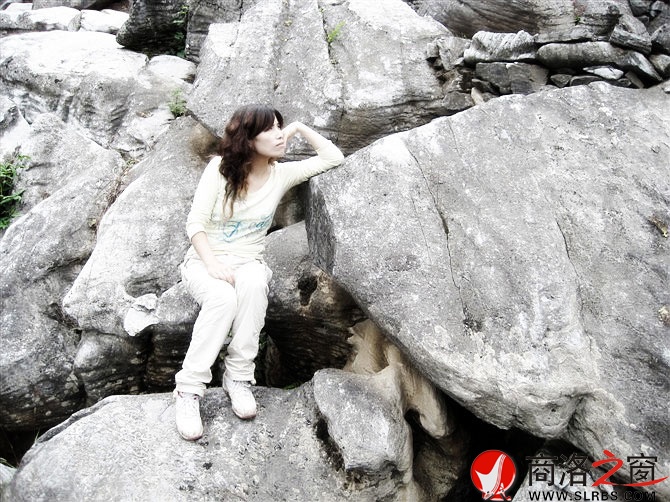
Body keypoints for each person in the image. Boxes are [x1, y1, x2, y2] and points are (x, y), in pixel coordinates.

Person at [174, 104, 345, 441]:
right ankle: (188, 390)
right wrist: (213, 264)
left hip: (249, 261)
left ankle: (238, 378)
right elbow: (195, 224)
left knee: (253, 284)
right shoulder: (219, 170)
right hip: (205, 261)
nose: (279, 135)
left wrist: (298, 127)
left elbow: (333, 157)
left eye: (280, 127)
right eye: (270, 130)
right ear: (248, 139)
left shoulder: (281, 174)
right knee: (222, 299)